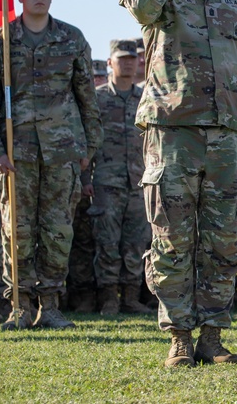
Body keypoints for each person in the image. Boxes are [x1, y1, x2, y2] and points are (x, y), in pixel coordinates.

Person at [120, 0, 237, 368]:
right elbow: (141, 8)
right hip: (172, 134)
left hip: (226, 135)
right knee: (172, 238)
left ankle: (212, 336)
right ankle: (179, 336)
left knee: (223, 240)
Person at [0, 0, 103, 330]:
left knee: (57, 230)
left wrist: (89, 147)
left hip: (63, 152)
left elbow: (86, 97)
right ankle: (20, 304)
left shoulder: (71, 38)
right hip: (16, 155)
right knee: (17, 229)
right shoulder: (0, 42)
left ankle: (51, 305)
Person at [90, 39, 149, 315]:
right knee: (107, 242)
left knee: (136, 243)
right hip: (106, 182)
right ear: (110, 63)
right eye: (121, 58)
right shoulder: (98, 98)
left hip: (139, 182)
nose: (128, 63)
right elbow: (86, 141)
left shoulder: (145, 98)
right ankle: (109, 299)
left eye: (132, 58)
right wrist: (83, 179)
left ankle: (131, 297)